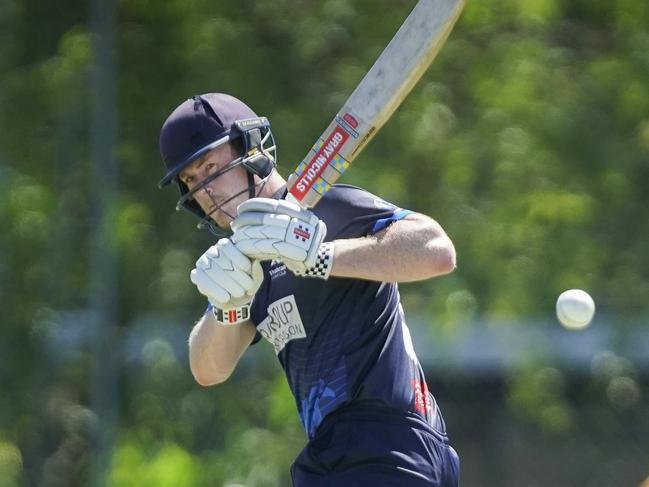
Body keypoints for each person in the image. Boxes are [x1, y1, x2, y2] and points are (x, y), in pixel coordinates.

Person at [158, 93, 460, 486]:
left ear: (251, 150)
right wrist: (226, 308)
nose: (205, 191)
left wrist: (321, 256)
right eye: (191, 181)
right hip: (333, 454)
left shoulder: (325, 209)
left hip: (388, 439)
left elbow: (437, 251)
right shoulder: (247, 265)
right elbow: (207, 369)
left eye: (210, 168)